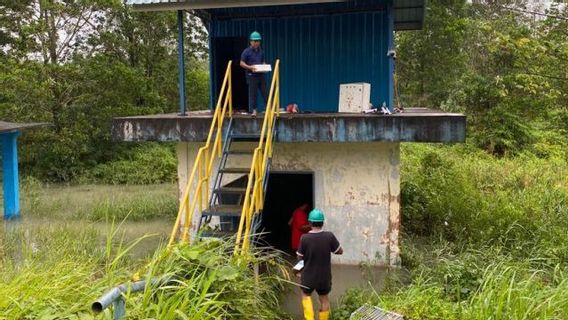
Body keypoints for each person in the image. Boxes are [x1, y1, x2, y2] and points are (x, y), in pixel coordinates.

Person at [296, 209, 343, 320]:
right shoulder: (329, 236)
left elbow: (299, 257)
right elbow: (340, 251)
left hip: (308, 276)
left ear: (310, 223)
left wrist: (299, 269)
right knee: (324, 299)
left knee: (306, 295)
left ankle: (309, 318)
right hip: (324, 277)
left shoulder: (304, 238)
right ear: (322, 222)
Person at [240, 31, 269, 116]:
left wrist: (265, 66)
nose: (257, 43)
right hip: (251, 75)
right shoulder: (246, 51)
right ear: (251, 41)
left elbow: (262, 61)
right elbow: (241, 63)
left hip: (260, 75)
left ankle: (268, 109)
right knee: (253, 94)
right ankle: (254, 110)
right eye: (255, 41)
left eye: (258, 41)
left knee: (265, 92)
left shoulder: (261, 51)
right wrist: (250, 67)